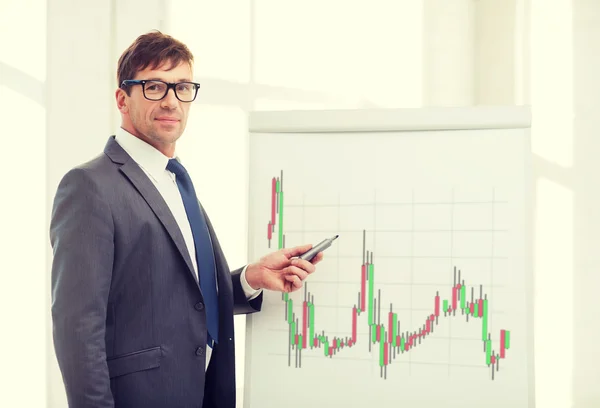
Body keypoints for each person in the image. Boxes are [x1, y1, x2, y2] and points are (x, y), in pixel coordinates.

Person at [49, 30, 323, 408]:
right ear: (122, 99)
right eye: (154, 87)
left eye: (182, 88)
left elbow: (179, 298)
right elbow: (77, 328)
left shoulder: (176, 180)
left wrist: (249, 279)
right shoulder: (89, 185)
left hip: (203, 390)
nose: (171, 101)